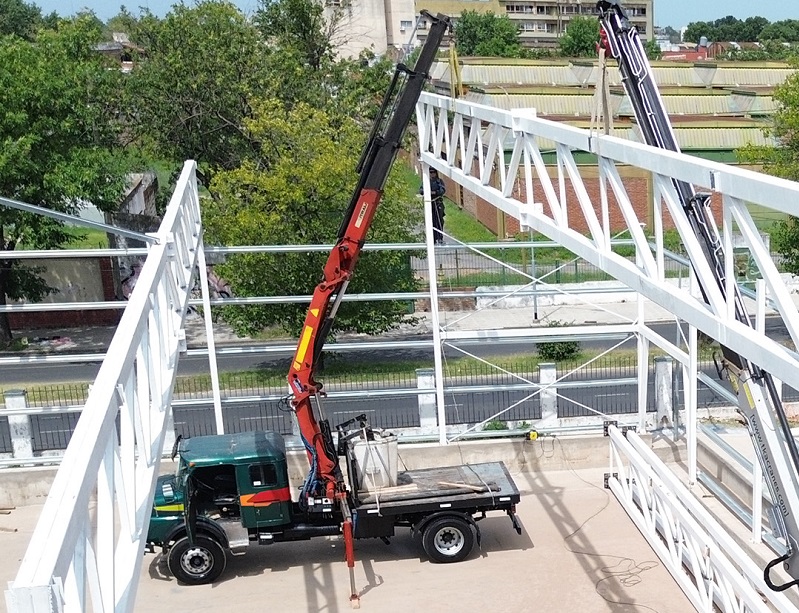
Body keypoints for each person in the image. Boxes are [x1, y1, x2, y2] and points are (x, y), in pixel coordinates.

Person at [420, 168, 446, 244]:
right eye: (430, 172)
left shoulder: (439, 181)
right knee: (430, 221)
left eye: (433, 172)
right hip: (429, 204)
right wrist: (427, 192)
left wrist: (435, 192)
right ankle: (432, 239)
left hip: (437, 203)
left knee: (439, 221)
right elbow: (421, 191)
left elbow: (442, 191)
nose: (432, 174)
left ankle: (440, 238)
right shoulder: (426, 181)